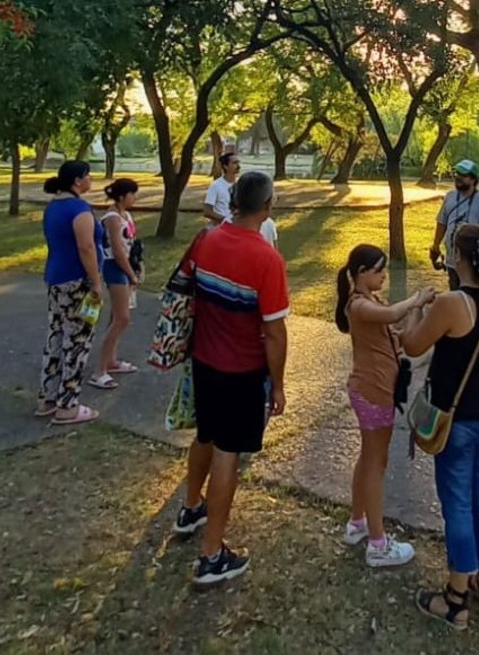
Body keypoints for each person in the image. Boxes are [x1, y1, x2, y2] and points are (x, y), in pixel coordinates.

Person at [173, 171, 290, 587]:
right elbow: (274, 333)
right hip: (241, 371)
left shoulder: (207, 239)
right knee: (228, 454)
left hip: (203, 360)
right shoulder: (267, 259)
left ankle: (191, 507)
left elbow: (186, 289)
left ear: (234, 199)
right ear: (268, 207)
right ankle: (211, 556)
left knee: (204, 435)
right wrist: (278, 384)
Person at [400, 224, 479, 630]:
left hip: (460, 421)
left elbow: (412, 344)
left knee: (458, 504)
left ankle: (455, 598)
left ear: (458, 257)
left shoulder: (451, 303)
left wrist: (417, 306)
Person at [335, 244, 434, 568]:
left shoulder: (373, 302)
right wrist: (415, 300)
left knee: (369, 460)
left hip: (377, 391)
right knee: (376, 465)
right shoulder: (358, 305)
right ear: (361, 273)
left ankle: (357, 523)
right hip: (372, 392)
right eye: (379, 270)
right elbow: (392, 315)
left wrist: (419, 309)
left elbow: (399, 336)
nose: (384, 276)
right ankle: (378, 545)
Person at [35, 161, 104, 425]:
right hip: (77, 282)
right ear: (77, 181)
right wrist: (96, 282)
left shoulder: (53, 206)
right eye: (88, 176)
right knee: (77, 341)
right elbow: (86, 247)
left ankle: (48, 397)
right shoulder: (79, 209)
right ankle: (68, 405)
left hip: (56, 277)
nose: (91, 180)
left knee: (56, 335)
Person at [89, 178, 142, 390]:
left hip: (127, 266)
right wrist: (131, 275)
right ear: (121, 196)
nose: (134, 198)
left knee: (116, 317)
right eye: (132, 194)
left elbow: (130, 244)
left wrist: (137, 266)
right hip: (115, 267)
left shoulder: (125, 215)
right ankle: (99, 371)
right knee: (122, 319)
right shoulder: (112, 218)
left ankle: (111, 361)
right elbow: (117, 251)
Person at [430, 160, 479, 291]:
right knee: (455, 292)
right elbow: (442, 222)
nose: (458, 178)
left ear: (473, 180)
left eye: (464, 175)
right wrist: (435, 245)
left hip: (472, 263)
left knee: (471, 295)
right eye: (457, 174)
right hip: (452, 260)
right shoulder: (450, 197)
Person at [205, 152, 279, 246]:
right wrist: (227, 220)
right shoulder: (216, 186)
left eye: (238, 162)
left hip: (243, 224)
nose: (238, 166)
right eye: (234, 163)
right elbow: (207, 211)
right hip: (225, 230)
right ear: (225, 166)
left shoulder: (243, 185)